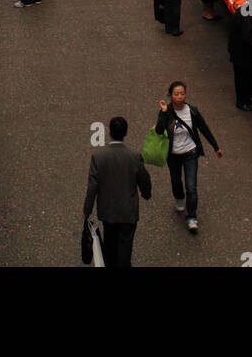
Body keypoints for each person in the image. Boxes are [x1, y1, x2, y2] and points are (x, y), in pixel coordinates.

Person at [82, 117, 152, 268]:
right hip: (128, 211)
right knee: (125, 247)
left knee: (110, 243)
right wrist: (146, 193)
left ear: (109, 132)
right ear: (125, 133)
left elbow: (92, 186)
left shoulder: (98, 156)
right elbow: (144, 179)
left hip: (108, 211)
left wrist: (86, 210)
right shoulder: (134, 156)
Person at [155, 81, 222, 233]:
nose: (179, 97)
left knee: (191, 187)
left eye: (182, 94)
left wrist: (215, 146)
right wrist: (164, 113)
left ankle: (192, 217)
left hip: (191, 153)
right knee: (176, 180)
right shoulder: (166, 111)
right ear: (170, 95)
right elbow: (159, 131)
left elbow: (204, 128)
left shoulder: (192, 111)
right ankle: (179, 197)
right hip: (173, 155)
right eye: (176, 94)